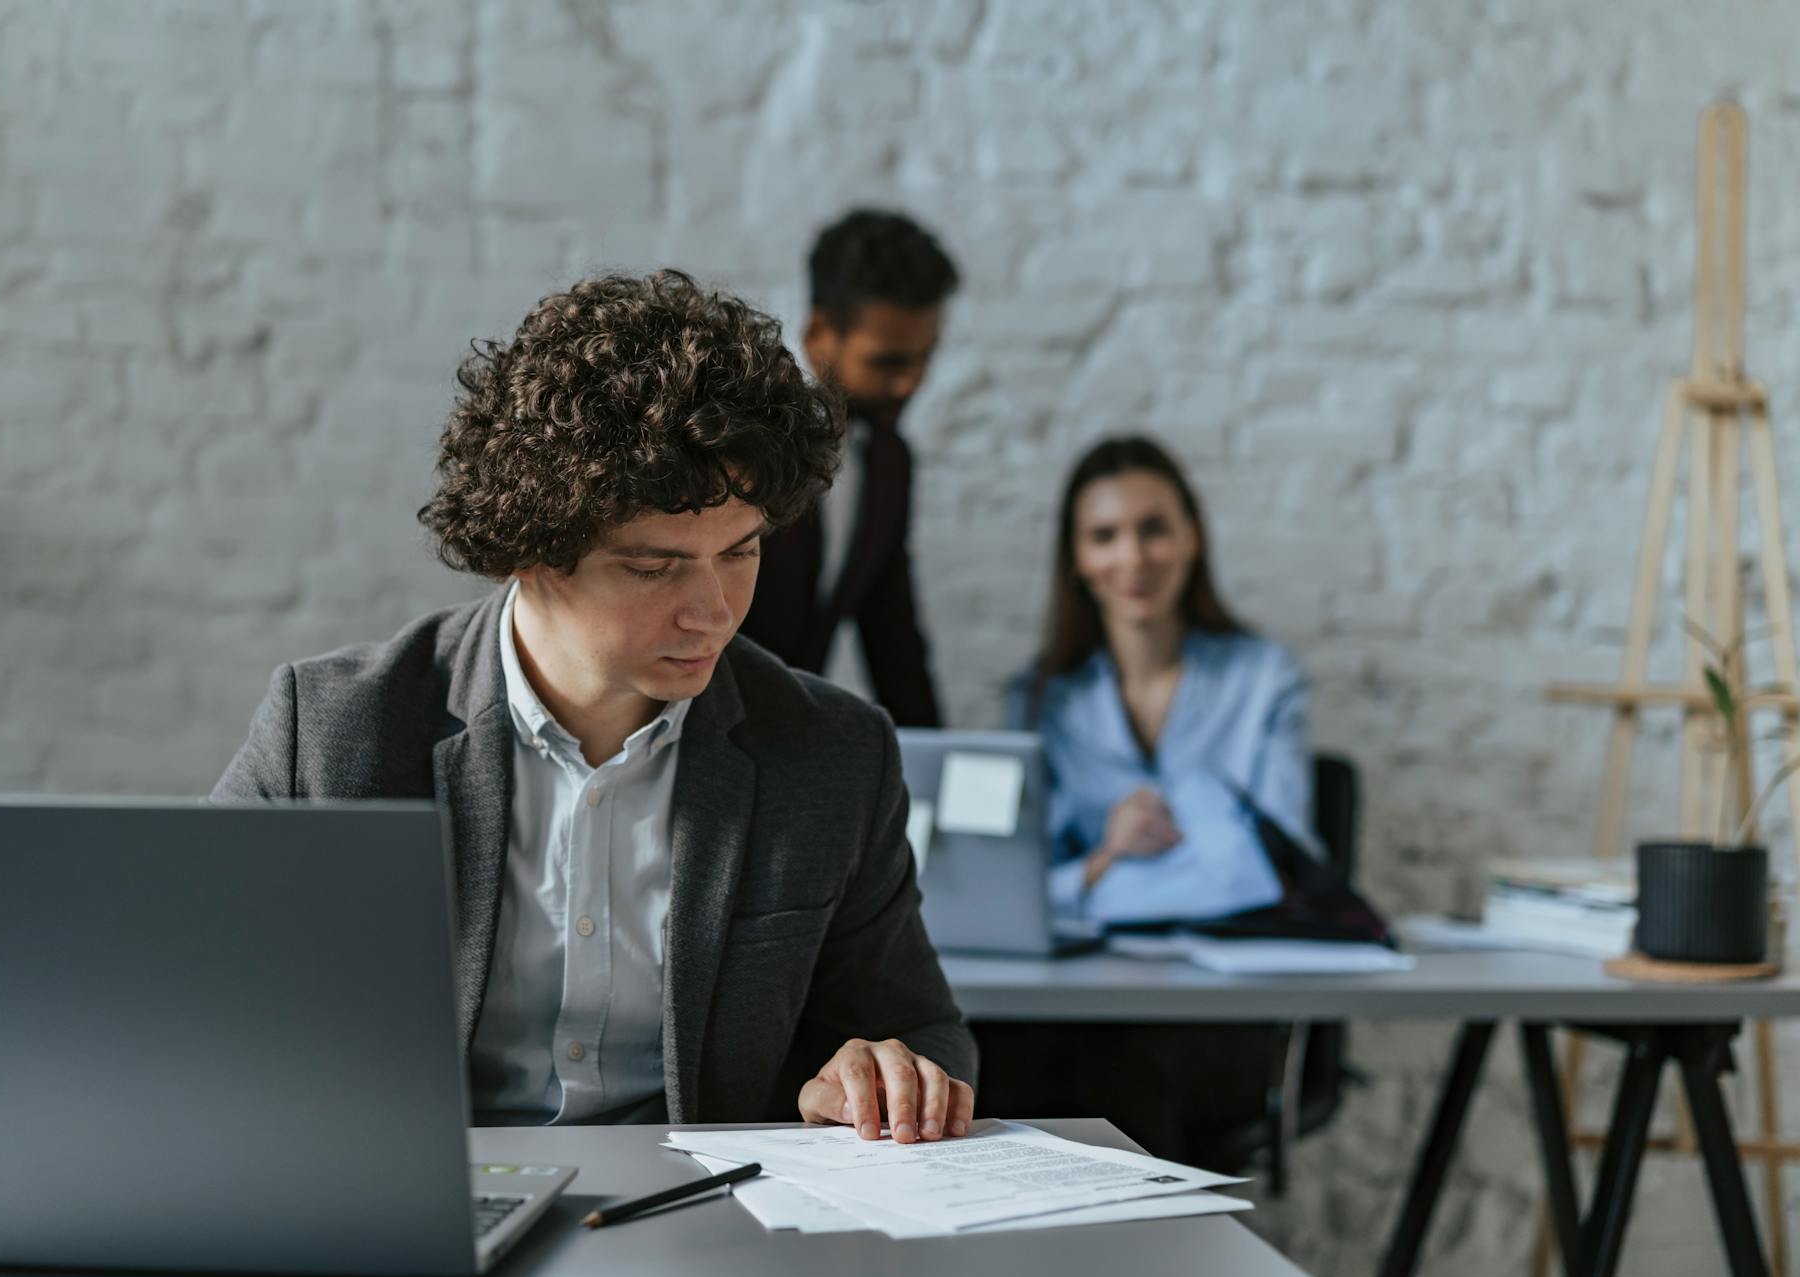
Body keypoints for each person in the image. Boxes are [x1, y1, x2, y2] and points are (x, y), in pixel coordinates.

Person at [213, 271, 976, 1144]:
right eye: (653, 568)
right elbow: (184, 999)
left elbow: (924, 1032)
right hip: (426, 1211)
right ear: (528, 550)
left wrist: (875, 1074)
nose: (714, 611)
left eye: (740, 552)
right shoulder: (331, 731)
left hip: (705, 1225)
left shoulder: (834, 754)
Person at [976, 435, 1318, 1167]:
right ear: (1077, 559)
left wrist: (1095, 877)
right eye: (1105, 536)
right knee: (983, 1055)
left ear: (1192, 537)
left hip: (1221, 1013)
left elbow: (1281, 863)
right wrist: (1106, 855)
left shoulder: (1264, 678)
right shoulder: (1041, 698)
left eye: (1154, 528)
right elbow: (1017, 889)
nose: (1133, 558)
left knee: (1126, 1064)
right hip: (1072, 1008)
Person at [739, 209, 957, 727]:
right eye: (888, 362)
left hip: (790, 752)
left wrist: (936, 773)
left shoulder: (889, 460)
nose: (910, 384)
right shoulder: (739, 441)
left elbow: (894, 642)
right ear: (819, 332)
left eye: (924, 358)